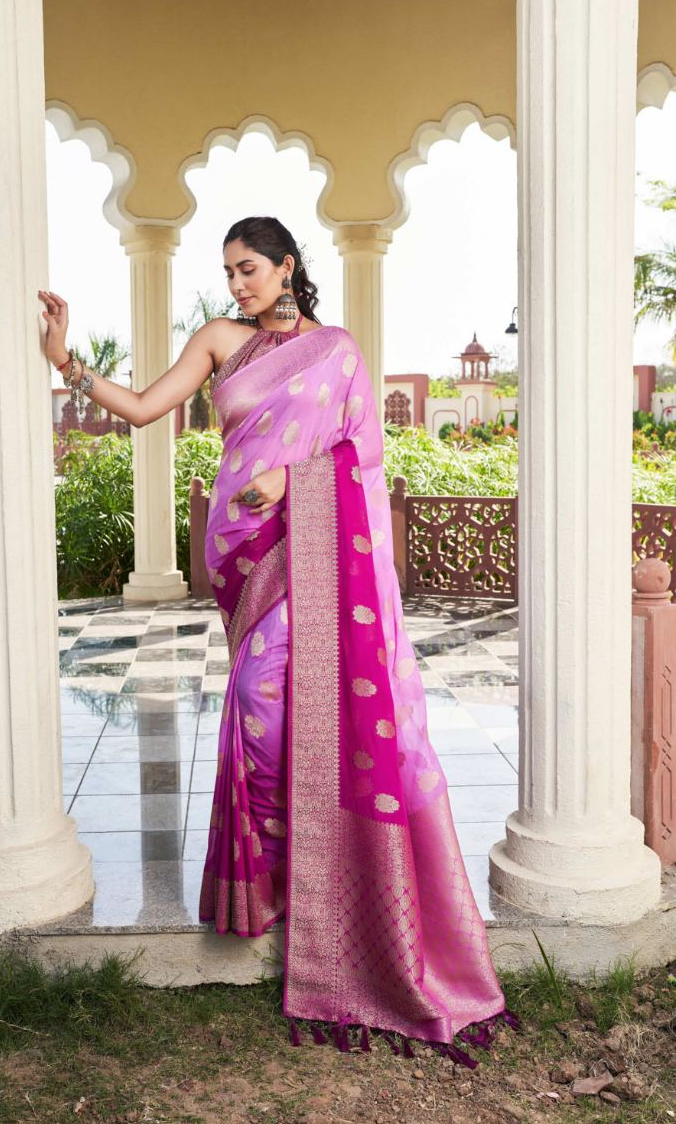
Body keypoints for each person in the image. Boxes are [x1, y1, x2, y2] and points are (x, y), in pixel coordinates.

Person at [40, 215, 518, 1066]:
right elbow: (149, 407)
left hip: (314, 547)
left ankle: (328, 886)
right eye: (228, 272)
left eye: (250, 268)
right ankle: (268, 884)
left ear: (288, 263)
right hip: (245, 558)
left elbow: (360, 458)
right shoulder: (219, 339)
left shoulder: (336, 350)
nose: (238, 284)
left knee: (311, 710)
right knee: (261, 713)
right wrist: (67, 361)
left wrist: (288, 478)